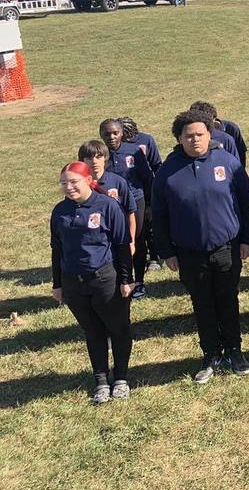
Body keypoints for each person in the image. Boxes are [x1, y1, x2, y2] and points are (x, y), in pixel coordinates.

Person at [151, 108, 249, 383]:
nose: (195, 140)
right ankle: (211, 353)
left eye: (200, 134)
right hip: (189, 253)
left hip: (226, 248)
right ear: (179, 138)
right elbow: (159, 215)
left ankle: (235, 350)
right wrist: (167, 251)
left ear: (210, 134)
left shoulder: (228, 161)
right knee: (202, 304)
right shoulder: (167, 172)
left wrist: (248, 239)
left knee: (227, 300)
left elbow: (246, 201)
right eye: (188, 136)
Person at [51, 161, 134, 405]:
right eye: (64, 183)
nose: (68, 187)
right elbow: (57, 250)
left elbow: (122, 246)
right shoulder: (60, 211)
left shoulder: (108, 206)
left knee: (118, 328)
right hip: (74, 283)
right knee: (93, 331)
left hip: (105, 280)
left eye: (74, 182)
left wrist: (126, 280)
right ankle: (100, 380)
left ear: (88, 180)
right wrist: (58, 284)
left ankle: (120, 378)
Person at [99, 118, 153, 298]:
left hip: (137, 202)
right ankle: (119, 279)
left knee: (137, 241)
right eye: (107, 134)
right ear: (101, 135)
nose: (112, 137)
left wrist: (149, 205)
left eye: (115, 133)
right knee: (114, 242)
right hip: (110, 206)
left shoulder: (134, 151)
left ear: (122, 133)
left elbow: (148, 179)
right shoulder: (99, 154)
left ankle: (138, 281)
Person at [77, 141, 138, 282]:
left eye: (99, 156)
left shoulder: (118, 182)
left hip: (119, 237)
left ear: (106, 158)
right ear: (82, 161)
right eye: (89, 158)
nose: (94, 161)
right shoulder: (79, 185)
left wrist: (132, 241)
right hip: (95, 241)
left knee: (122, 272)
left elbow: (130, 212)